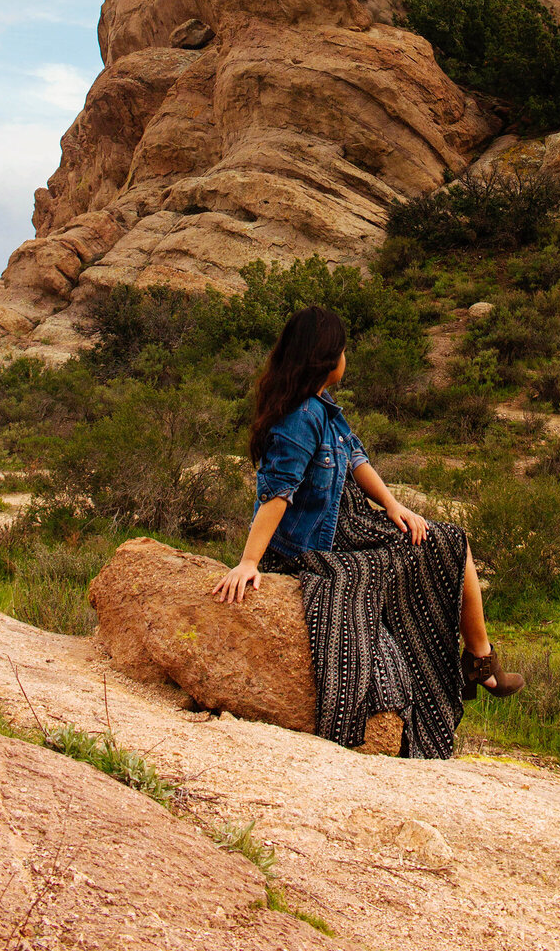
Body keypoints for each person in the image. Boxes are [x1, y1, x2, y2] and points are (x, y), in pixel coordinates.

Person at [212, 303, 523, 758]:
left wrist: (395, 506)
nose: (345, 357)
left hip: (349, 523)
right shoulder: (300, 417)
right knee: (448, 545)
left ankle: (479, 659)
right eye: (341, 349)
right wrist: (249, 562)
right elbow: (277, 494)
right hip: (320, 545)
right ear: (326, 358)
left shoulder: (323, 408)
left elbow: (356, 459)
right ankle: (479, 662)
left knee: (445, 540)